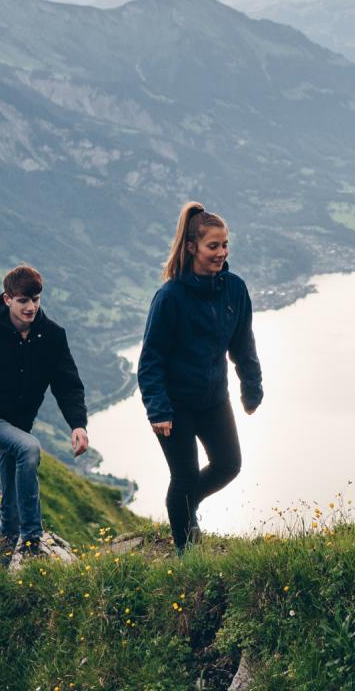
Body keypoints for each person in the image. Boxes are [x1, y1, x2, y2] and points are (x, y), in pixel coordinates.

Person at [137, 203, 262, 553]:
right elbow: (150, 361)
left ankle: (185, 505)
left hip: (213, 399)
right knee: (185, 477)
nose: (221, 253)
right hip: (174, 406)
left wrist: (251, 388)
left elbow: (243, 343)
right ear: (192, 247)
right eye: (213, 246)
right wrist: (158, 409)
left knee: (228, 464)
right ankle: (187, 553)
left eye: (225, 246)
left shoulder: (234, 289)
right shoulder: (170, 297)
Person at [0, 265, 90, 553]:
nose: (31, 307)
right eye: (23, 301)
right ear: (7, 299)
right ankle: (33, 541)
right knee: (29, 448)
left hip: (19, 426)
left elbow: (68, 385)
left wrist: (78, 424)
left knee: (9, 518)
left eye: (35, 299)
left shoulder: (53, 336)